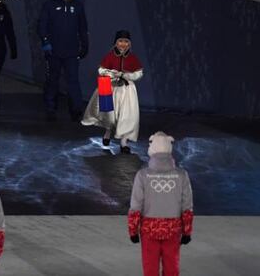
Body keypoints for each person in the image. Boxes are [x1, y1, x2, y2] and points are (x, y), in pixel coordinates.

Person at [128, 132, 194, 276]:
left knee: (150, 267)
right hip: (173, 229)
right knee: (172, 266)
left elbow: (136, 204)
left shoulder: (142, 175)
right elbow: (187, 205)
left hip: (149, 229)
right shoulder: (182, 175)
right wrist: (187, 230)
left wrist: (133, 229)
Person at [81, 30, 144, 153]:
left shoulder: (132, 57)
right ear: (116, 42)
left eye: (126, 41)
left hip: (126, 91)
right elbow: (101, 70)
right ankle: (108, 132)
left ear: (129, 44)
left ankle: (124, 142)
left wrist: (127, 76)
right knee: (109, 114)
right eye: (120, 41)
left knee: (127, 116)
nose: (123, 44)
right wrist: (110, 73)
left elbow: (139, 73)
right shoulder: (110, 56)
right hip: (110, 88)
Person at [38, 0, 89, 122]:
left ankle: (76, 110)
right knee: (52, 80)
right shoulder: (50, 5)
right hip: (54, 51)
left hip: (71, 52)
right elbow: (42, 26)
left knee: (73, 81)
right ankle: (50, 108)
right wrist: (46, 43)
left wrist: (85, 45)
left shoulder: (78, 6)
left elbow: (83, 28)